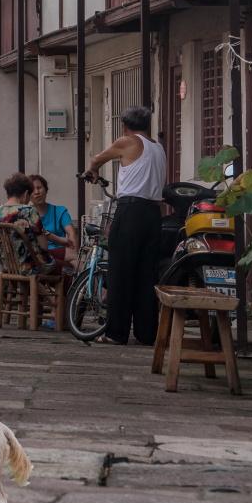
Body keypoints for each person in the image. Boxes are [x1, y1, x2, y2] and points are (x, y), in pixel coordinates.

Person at [86, 105, 166, 346]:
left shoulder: (128, 141)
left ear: (124, 126)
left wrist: (94, 172)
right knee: (146, 275)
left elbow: (96, 158)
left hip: (130, 211)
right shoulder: (158, 146)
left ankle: (115, 333)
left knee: (120, 272)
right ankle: (146, 333)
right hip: (154, 214)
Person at [0, 172, 59, 294]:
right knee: (65, 269)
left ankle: (43, 300)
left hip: (8, 265)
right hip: (30, 265)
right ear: (26, 193)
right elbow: (44, 246)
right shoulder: (29, 211)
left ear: (7, 194)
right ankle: (58, 305)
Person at [29, 174, 77, 268]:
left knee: (76, 261)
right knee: (76, 262)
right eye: (32, 190)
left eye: (39, 188)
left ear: (46, 189)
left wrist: (74, 247)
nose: (37, 192)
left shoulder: (59, 211)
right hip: (41, 257)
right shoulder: (27, 214)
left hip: (63, 255)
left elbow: (72, 234)